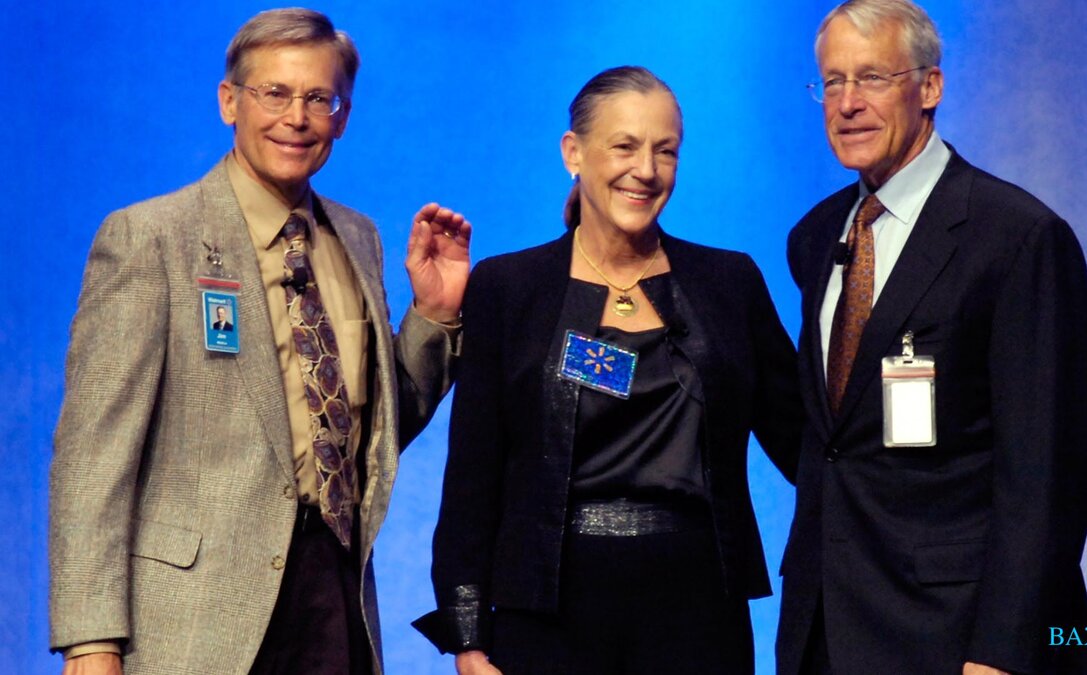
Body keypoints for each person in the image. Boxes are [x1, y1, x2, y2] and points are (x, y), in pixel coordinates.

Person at [48, 8, 470, 675]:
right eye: (274, 93)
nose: (296, 117)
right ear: (229, 102)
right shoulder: (151, 238)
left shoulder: (357, 239)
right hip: (193, 621)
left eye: (319, 98)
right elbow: (92, 459)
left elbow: (368, 432)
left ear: (343, 117)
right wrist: (90, 638)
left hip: (333, 596)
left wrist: (435, 316)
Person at [412, 66, 802, 675]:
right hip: (547, 620)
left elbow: (810, 448)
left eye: (665, 151)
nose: (645, 170)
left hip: (699, 615)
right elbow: (472, 478)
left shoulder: (730, 283)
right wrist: (467, 637)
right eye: (624, 146)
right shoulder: (508, 287)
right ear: (573, 152)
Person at [775, 1, 1087, 674]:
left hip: (954, 633)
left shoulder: (1016, 237)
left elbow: (1047, 474)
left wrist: (1002, 651)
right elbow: (833, 442)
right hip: (826, 630)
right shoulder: (815, 237)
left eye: (872, 77)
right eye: (832, 82)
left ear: (930, 87)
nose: (847, 103)